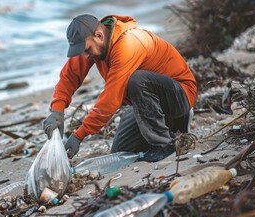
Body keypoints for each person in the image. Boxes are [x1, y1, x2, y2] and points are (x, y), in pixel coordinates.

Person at [42, 14, 197, 162]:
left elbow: (110, 99)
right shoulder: (91, 44)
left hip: (180, 95)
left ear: (99, 36)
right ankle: (171, 128)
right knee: (121, 151)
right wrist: (57, 110)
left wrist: (79, 135)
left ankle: (164, 144)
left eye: (87, 50)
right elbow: (70, 76)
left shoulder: (128, 44)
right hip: (148, 103)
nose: (85, 56)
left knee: (135, 81)